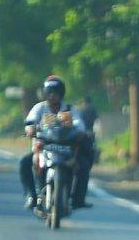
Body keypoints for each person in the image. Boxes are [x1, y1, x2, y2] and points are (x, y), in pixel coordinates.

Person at [20, 75, 92, 209]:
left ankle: (78, 199)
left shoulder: (69, 109)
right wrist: (30, 129)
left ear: (62, 93)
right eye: (50, 92)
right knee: (24, 163)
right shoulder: (40, 108)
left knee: (84, 166)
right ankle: (32, 196)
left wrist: (80, 131)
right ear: (45, 93)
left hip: (66, 148)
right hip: (44, 146)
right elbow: (30, 121)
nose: (53, 96)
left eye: (56, 92)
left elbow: (79, 123)